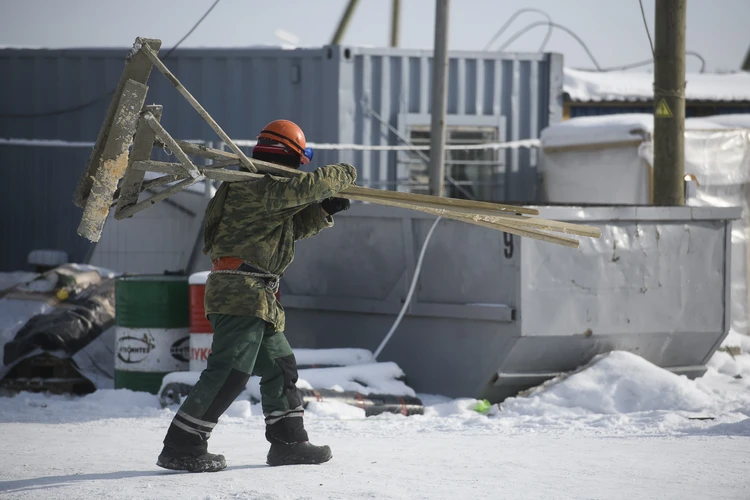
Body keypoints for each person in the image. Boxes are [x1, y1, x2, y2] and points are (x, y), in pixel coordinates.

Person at [156, 119, 357, 472]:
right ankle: (182, 445)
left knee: (281, 367)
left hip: (256, 294)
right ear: (291, 158)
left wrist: (324, 210)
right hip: (240, 292)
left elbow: (288, 229)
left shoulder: (264, 192)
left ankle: (289, 443)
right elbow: (311, 186)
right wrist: (346, 172)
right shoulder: (255, 186)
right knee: (230, 371)